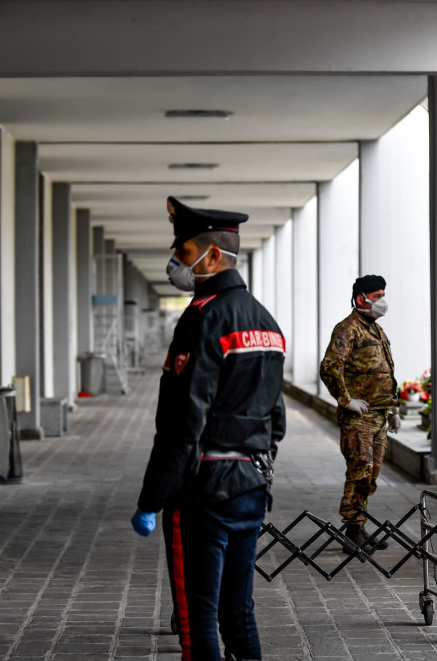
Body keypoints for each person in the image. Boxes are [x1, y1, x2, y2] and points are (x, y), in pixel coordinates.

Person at [131, 196, 286, 661]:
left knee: (198, 621)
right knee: (238, 613)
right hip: (250, 486)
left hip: (201, 492)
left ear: (211, 255)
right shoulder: (267, 322)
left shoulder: (202, 319)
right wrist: (254, 466)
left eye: (182, 253)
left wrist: (152, 498)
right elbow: (275, 418)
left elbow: (183, 421)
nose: (175, 264)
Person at [319, 275, 400, 554]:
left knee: (372, 474)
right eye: (376, 296)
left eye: (382, 295)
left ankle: (360, 527)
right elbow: (330, 366)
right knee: (359, 472)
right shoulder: (348, 329)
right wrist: (346, 400)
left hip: (378, 416)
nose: (382, 301)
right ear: (360, 299)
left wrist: (394, 410)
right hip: (359, 418)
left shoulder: (377, 330)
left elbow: (387, 372)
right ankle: (352, 531)